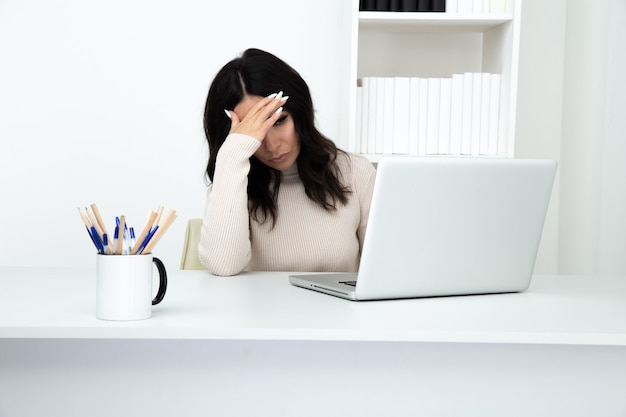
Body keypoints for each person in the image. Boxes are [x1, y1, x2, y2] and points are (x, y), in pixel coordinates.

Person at [198, 48, 376, 276]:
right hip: (261, 312)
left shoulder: (355, 172)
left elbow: (389, 267)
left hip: (339, 312)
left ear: (300, 113)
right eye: (255, 131)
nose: (271, 145)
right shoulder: (232, 180)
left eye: (279, 121)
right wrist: (233, 154)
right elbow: (223, 265)